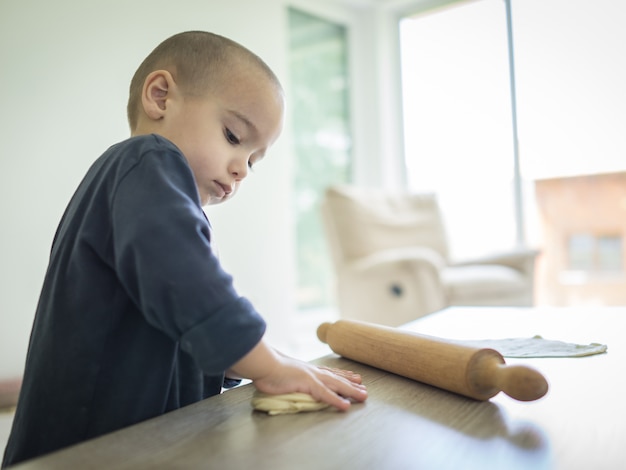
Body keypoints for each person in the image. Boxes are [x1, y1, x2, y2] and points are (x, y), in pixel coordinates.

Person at [2, 31, 367, 467]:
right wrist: (271, 368)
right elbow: (193, 288)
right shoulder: (146, 158)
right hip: (85, 452)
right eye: (234, 136)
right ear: (160, 97)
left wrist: (281, 361)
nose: (242, 169)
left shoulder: (142, 201)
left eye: (253, 159)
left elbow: (183, 333)